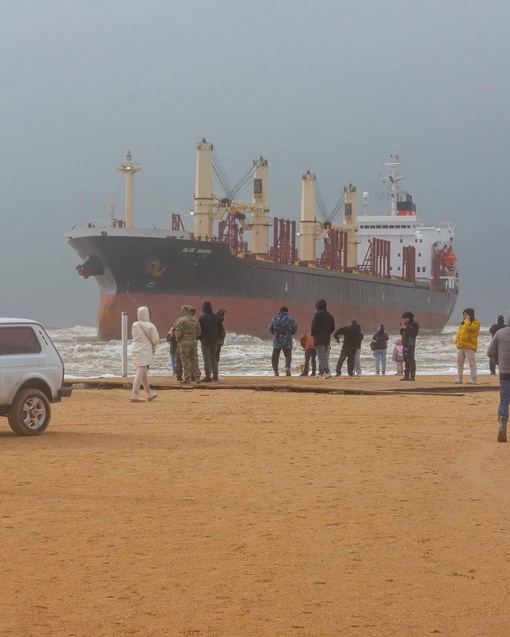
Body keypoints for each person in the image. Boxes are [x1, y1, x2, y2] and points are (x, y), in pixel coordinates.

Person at [487, 312, 510, 442]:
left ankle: (502, 422)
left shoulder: (499, 333)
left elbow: (490, 352)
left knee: (504, 400)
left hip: (504, 373)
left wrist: (499, 363)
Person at [130, 306, 160, 402]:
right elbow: (156, 340)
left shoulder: (134, 325)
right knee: (141, 369)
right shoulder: (151, 326)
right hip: (145, 350)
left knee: (143, 371)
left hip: (135, 348)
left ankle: (149, 392)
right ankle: (134, 394)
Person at [174, 305, 202, 384]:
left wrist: (178, 340)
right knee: (194, 359)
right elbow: (199, 332)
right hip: (193, 342)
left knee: (186, 360)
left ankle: (187, 378)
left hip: (184, 343)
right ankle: (197, 377)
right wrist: (194, 337)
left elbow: (178, 333)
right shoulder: (195, 320)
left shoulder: (181, 320)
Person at [198, 301, 225, 382]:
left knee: (207, 358)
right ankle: (215, 375)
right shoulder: (217, 317)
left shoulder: (201, 318)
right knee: (213, 358)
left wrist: (200, 337)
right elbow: (221, 330)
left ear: (204, 308)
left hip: (205, 341)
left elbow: (199, 330)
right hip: (215, 341)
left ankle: (208, 376)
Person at [269, 306, 297, 376]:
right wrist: (290, 334)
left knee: (275, 356)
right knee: (288, 355)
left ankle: (276, 371)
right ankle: (287, 367)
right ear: (287, 312)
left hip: (277, 340)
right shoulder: (290, 319)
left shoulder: (275, 319)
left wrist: (275, 334)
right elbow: (295, 329)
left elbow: (270, 329)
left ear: (280, 311)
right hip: (287, 340)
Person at [311, 299, 335, 379]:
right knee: (324, 356)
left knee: (321, 356)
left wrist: (313, 334)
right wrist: (327, 332)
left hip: (319, 338)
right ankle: (320, 373)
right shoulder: (330, 315)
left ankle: (327, 372)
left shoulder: (317, 314)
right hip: (327, 339)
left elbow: (313, 326)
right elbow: (333, 328)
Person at [455, 308, 480, 384]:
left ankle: (473, 378)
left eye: (466, 314)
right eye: (464, 314)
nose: (465, 316)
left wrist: (467, 320)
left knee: (471, 363)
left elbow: (471, 329)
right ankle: (459, 378)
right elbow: (458, 333)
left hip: (470, 346)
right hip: (461, 346)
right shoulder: (462, 324)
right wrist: (456, 341)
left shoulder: (475, 322)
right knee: (459, 363)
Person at [399, 311, 419, 381]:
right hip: (405, 344)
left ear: (409, 318)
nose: (405, 319)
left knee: (411, 360)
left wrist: (406, 328)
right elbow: (403, 334)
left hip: (410, 344)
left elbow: (414, 334)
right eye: (403, 318)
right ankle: (406, 376)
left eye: (406, 318)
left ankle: (412, 376)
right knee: (406, 360)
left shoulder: (414, 324)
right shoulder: (406, 324)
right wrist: (402, 329)